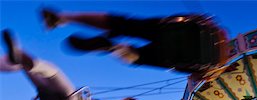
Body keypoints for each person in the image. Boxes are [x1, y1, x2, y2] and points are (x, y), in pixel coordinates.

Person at [40, 9, 229, 78]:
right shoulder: (217, 67)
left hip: (178, 29)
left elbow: (200, 19)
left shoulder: (220, 33)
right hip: (179, 58)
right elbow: (196, 77)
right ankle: (115, 48)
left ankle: (62, 17)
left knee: (124, 24)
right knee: (138, 57)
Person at [1, 30, 139, 100]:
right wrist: (38, 96)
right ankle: (17, 58)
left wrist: (125, 99)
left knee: (54, 72)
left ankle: (20, 58)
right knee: (32, 71)